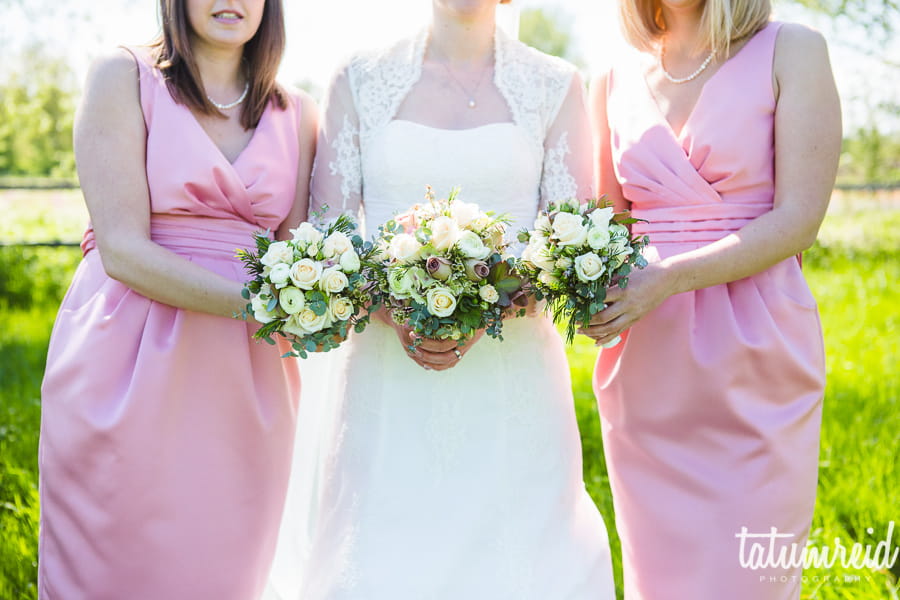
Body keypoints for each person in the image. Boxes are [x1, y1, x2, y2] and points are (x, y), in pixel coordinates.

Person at [267, 1, 615, 598]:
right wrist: (395, 308)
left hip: (513, 378)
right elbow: (325, 240)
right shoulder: (359, 78)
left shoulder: (556, 86)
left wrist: (483, 309)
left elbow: (566, 241)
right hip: (384, 374)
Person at [38, 1, 317, 598]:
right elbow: (121, 249)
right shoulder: (123, 76)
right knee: (118, 556)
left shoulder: (299, 115)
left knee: (227, 565)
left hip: (250, 373)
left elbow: (300, 259)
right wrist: (263, 304)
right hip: (129, 354)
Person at [583, 0, 841, 597]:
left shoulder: (793, 50)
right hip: (646, 363)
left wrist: (668, 278)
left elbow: (800, 220)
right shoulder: (612, 76)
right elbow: (605, 226)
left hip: (757, 352)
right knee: (660, 577)